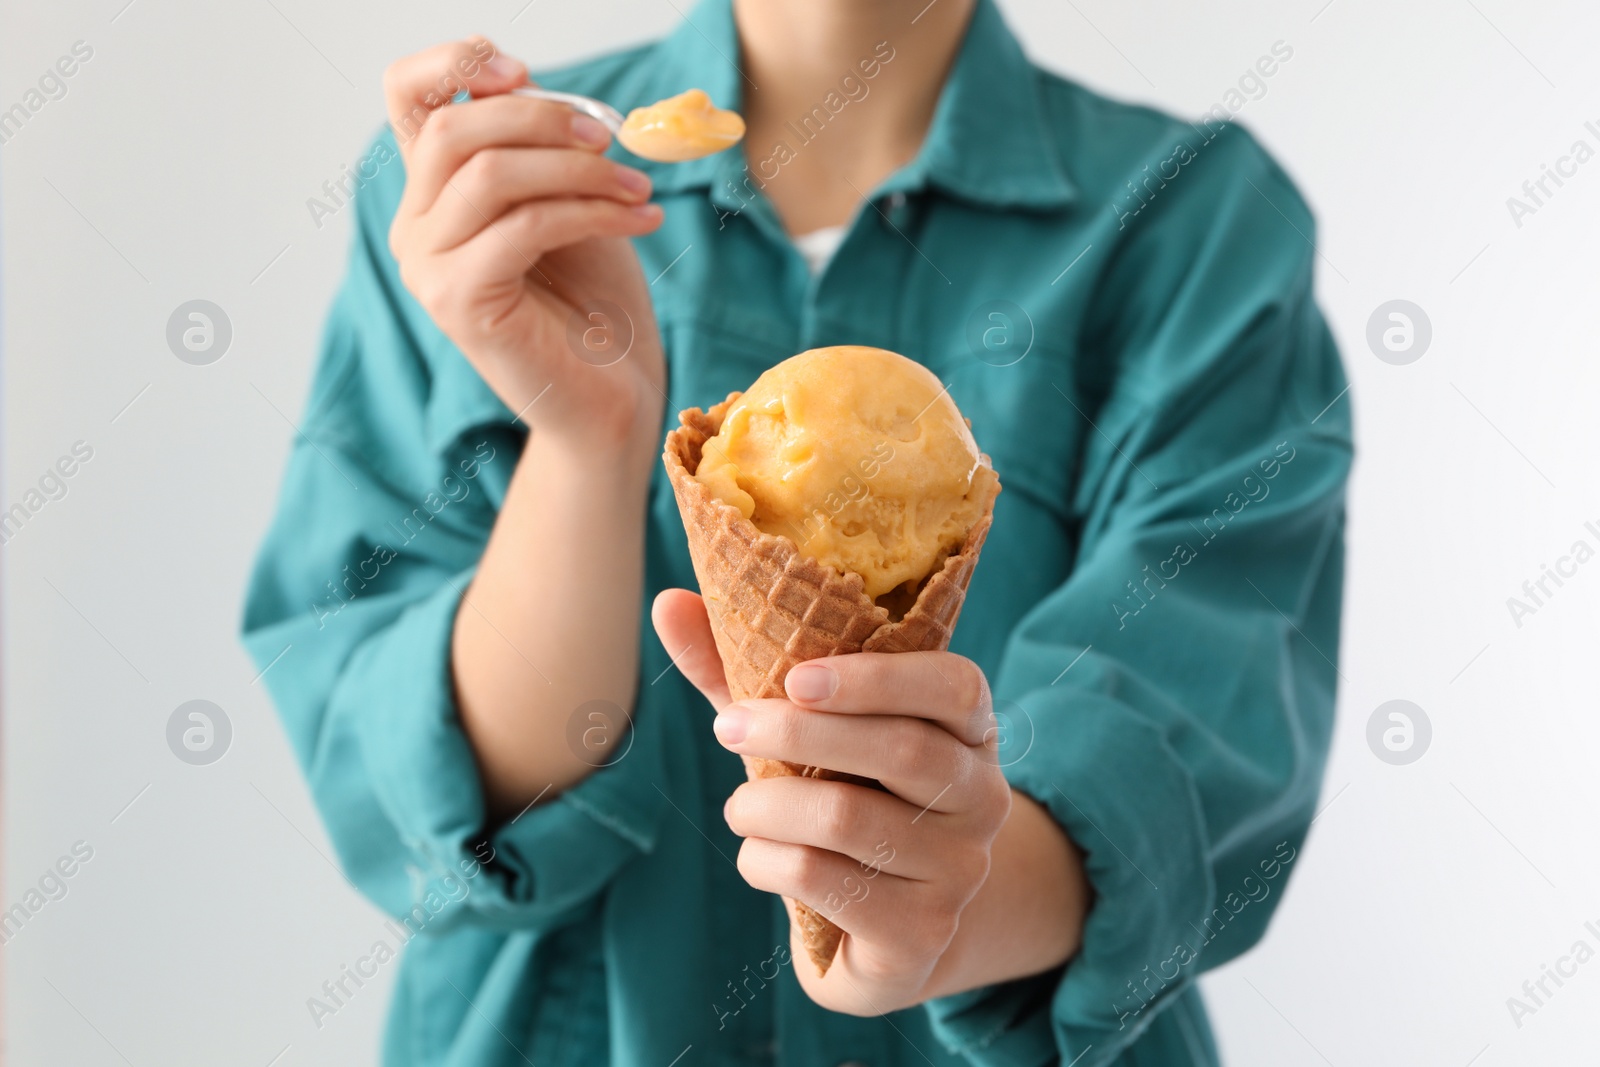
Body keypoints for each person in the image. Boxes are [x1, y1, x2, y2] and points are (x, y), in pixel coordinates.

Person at [242, 0, 1352, 1062]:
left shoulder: (1194, 221)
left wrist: (938, 911)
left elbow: (1193, 727)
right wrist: (589, 440)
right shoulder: (476, 193)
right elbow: (431, 800)